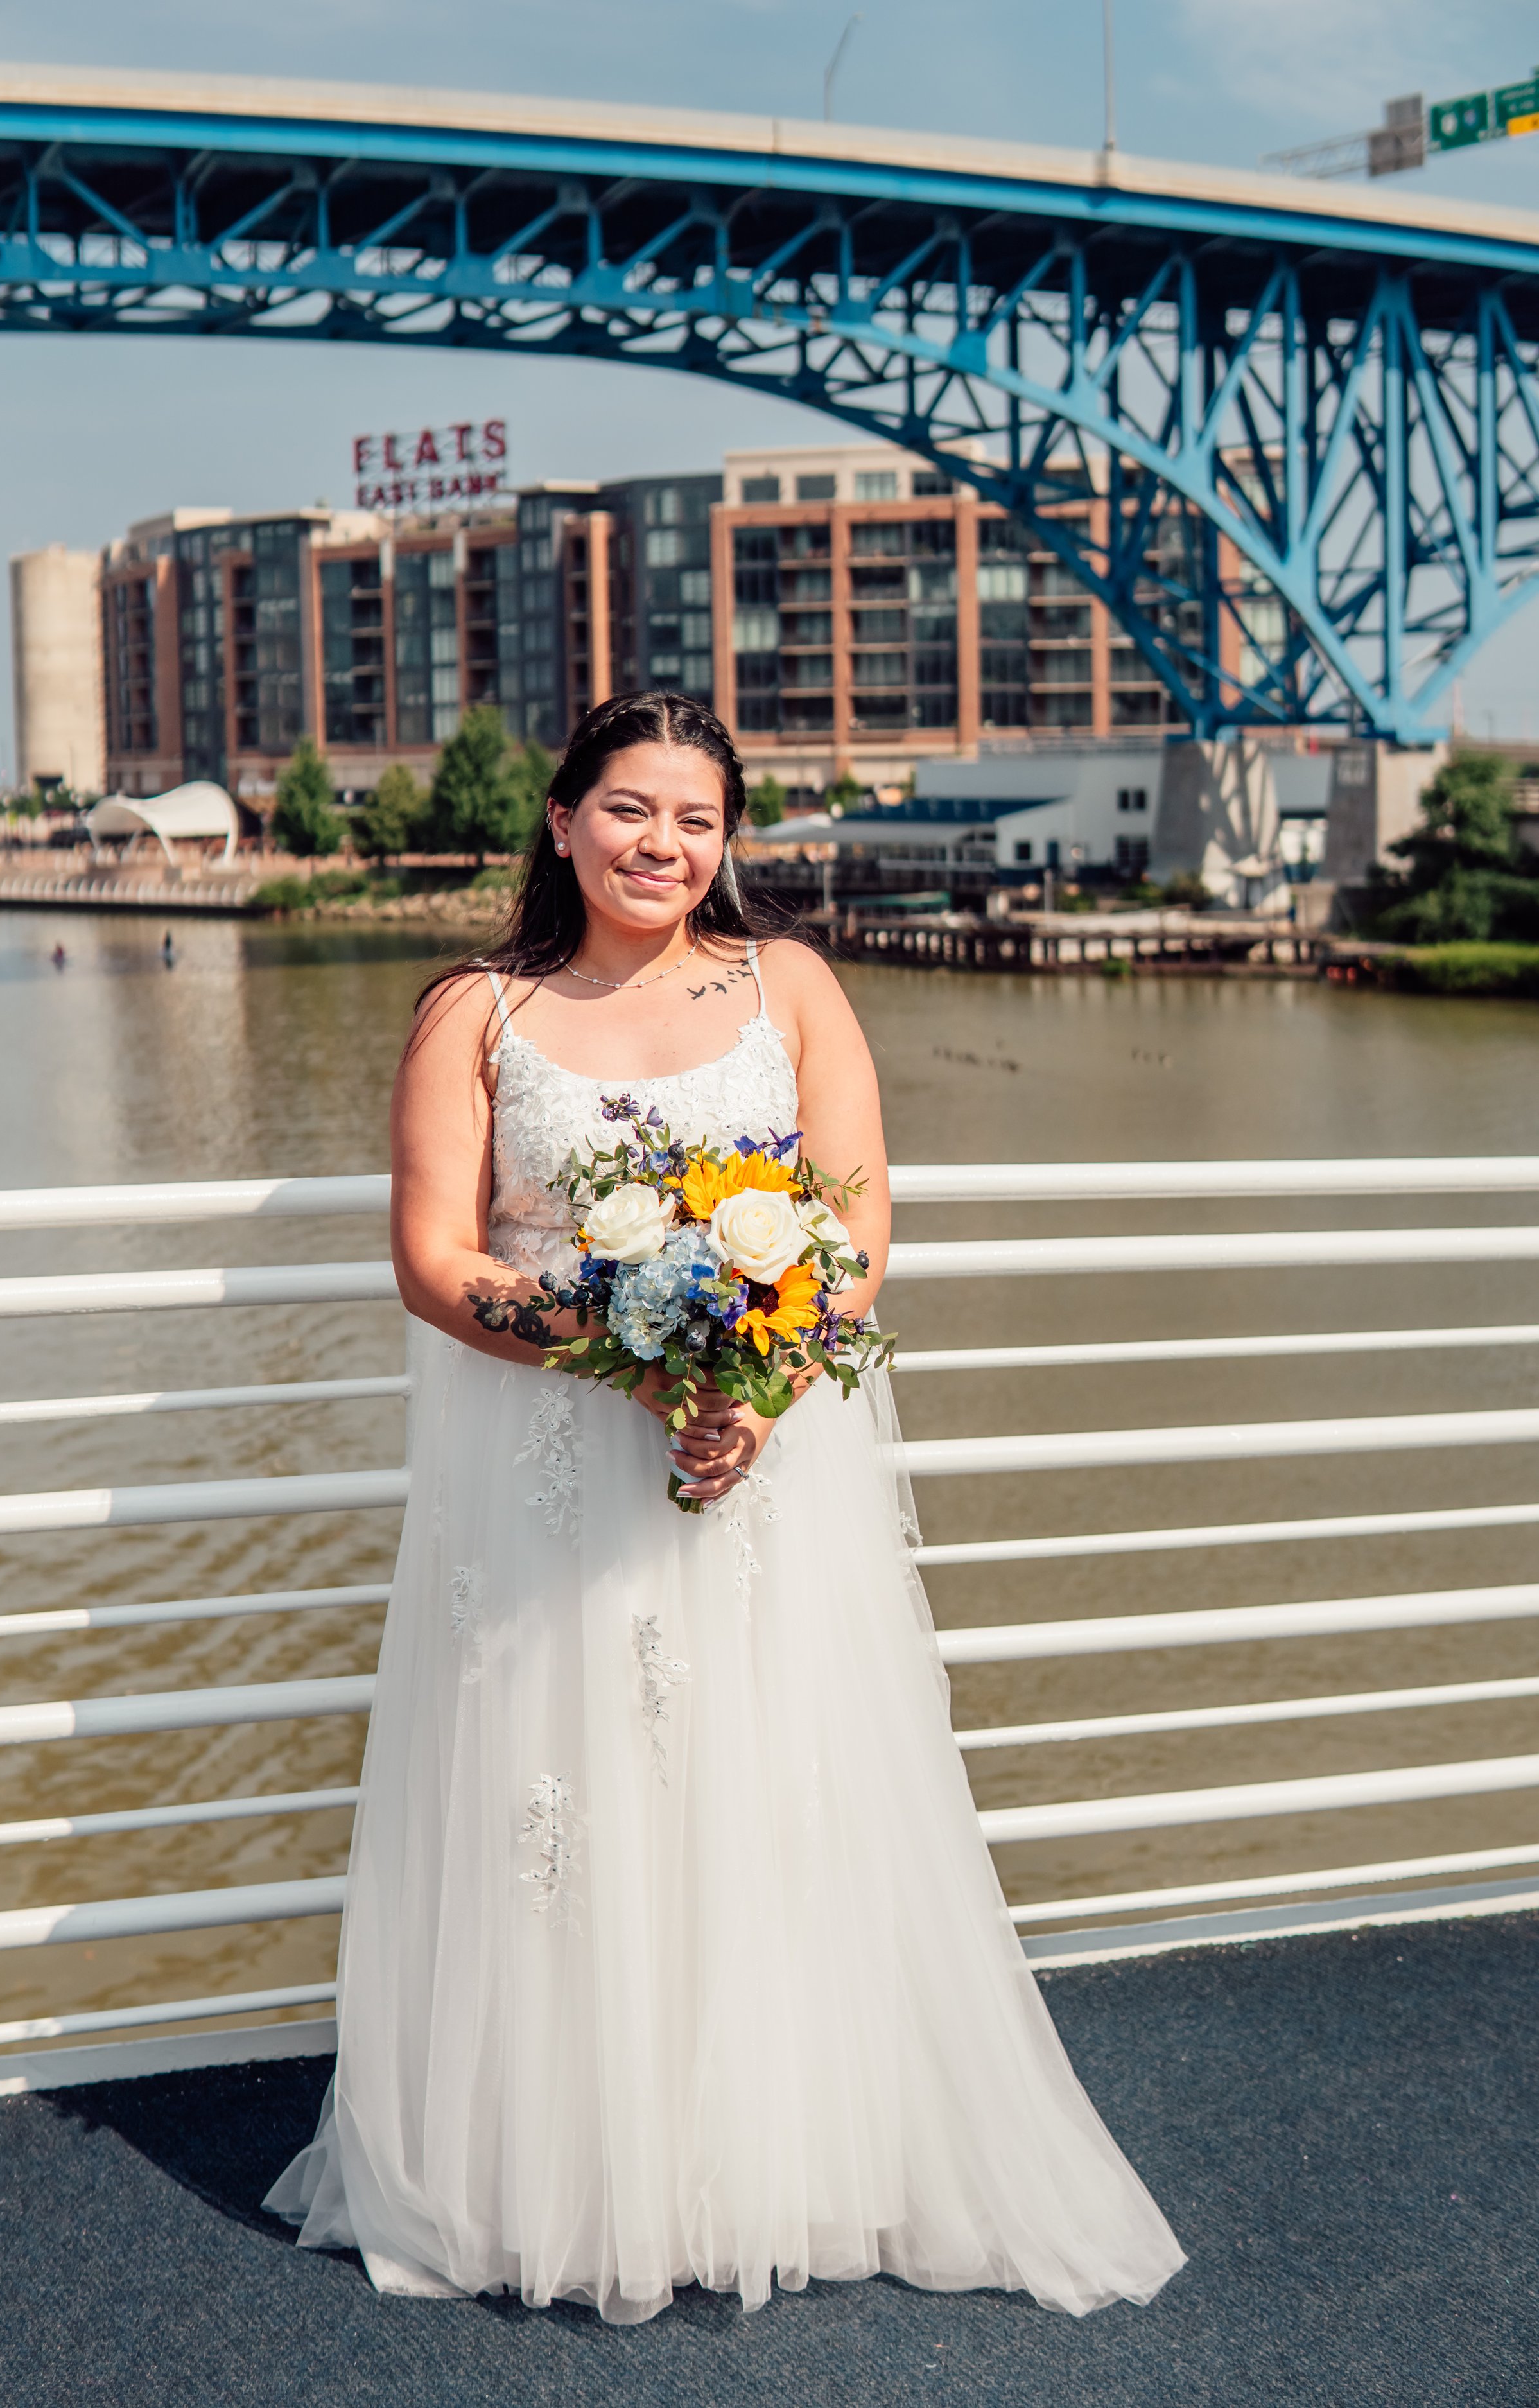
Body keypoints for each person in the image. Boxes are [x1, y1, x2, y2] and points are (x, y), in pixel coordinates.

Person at [265, 691, 1183, 2324]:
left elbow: (851, 1209)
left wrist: (752, 1395)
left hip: (757, 1472)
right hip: (554, 1478)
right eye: (627, 810)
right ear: (560, 821)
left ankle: (778, 2165)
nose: (660, 846)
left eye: (695, 820)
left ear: (727, 839)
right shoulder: (474, 1013)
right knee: (569, 1808)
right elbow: (432, 1264)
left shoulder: (792, 987)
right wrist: (630, 1364)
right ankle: (559, 2180)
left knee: (767, 1789)